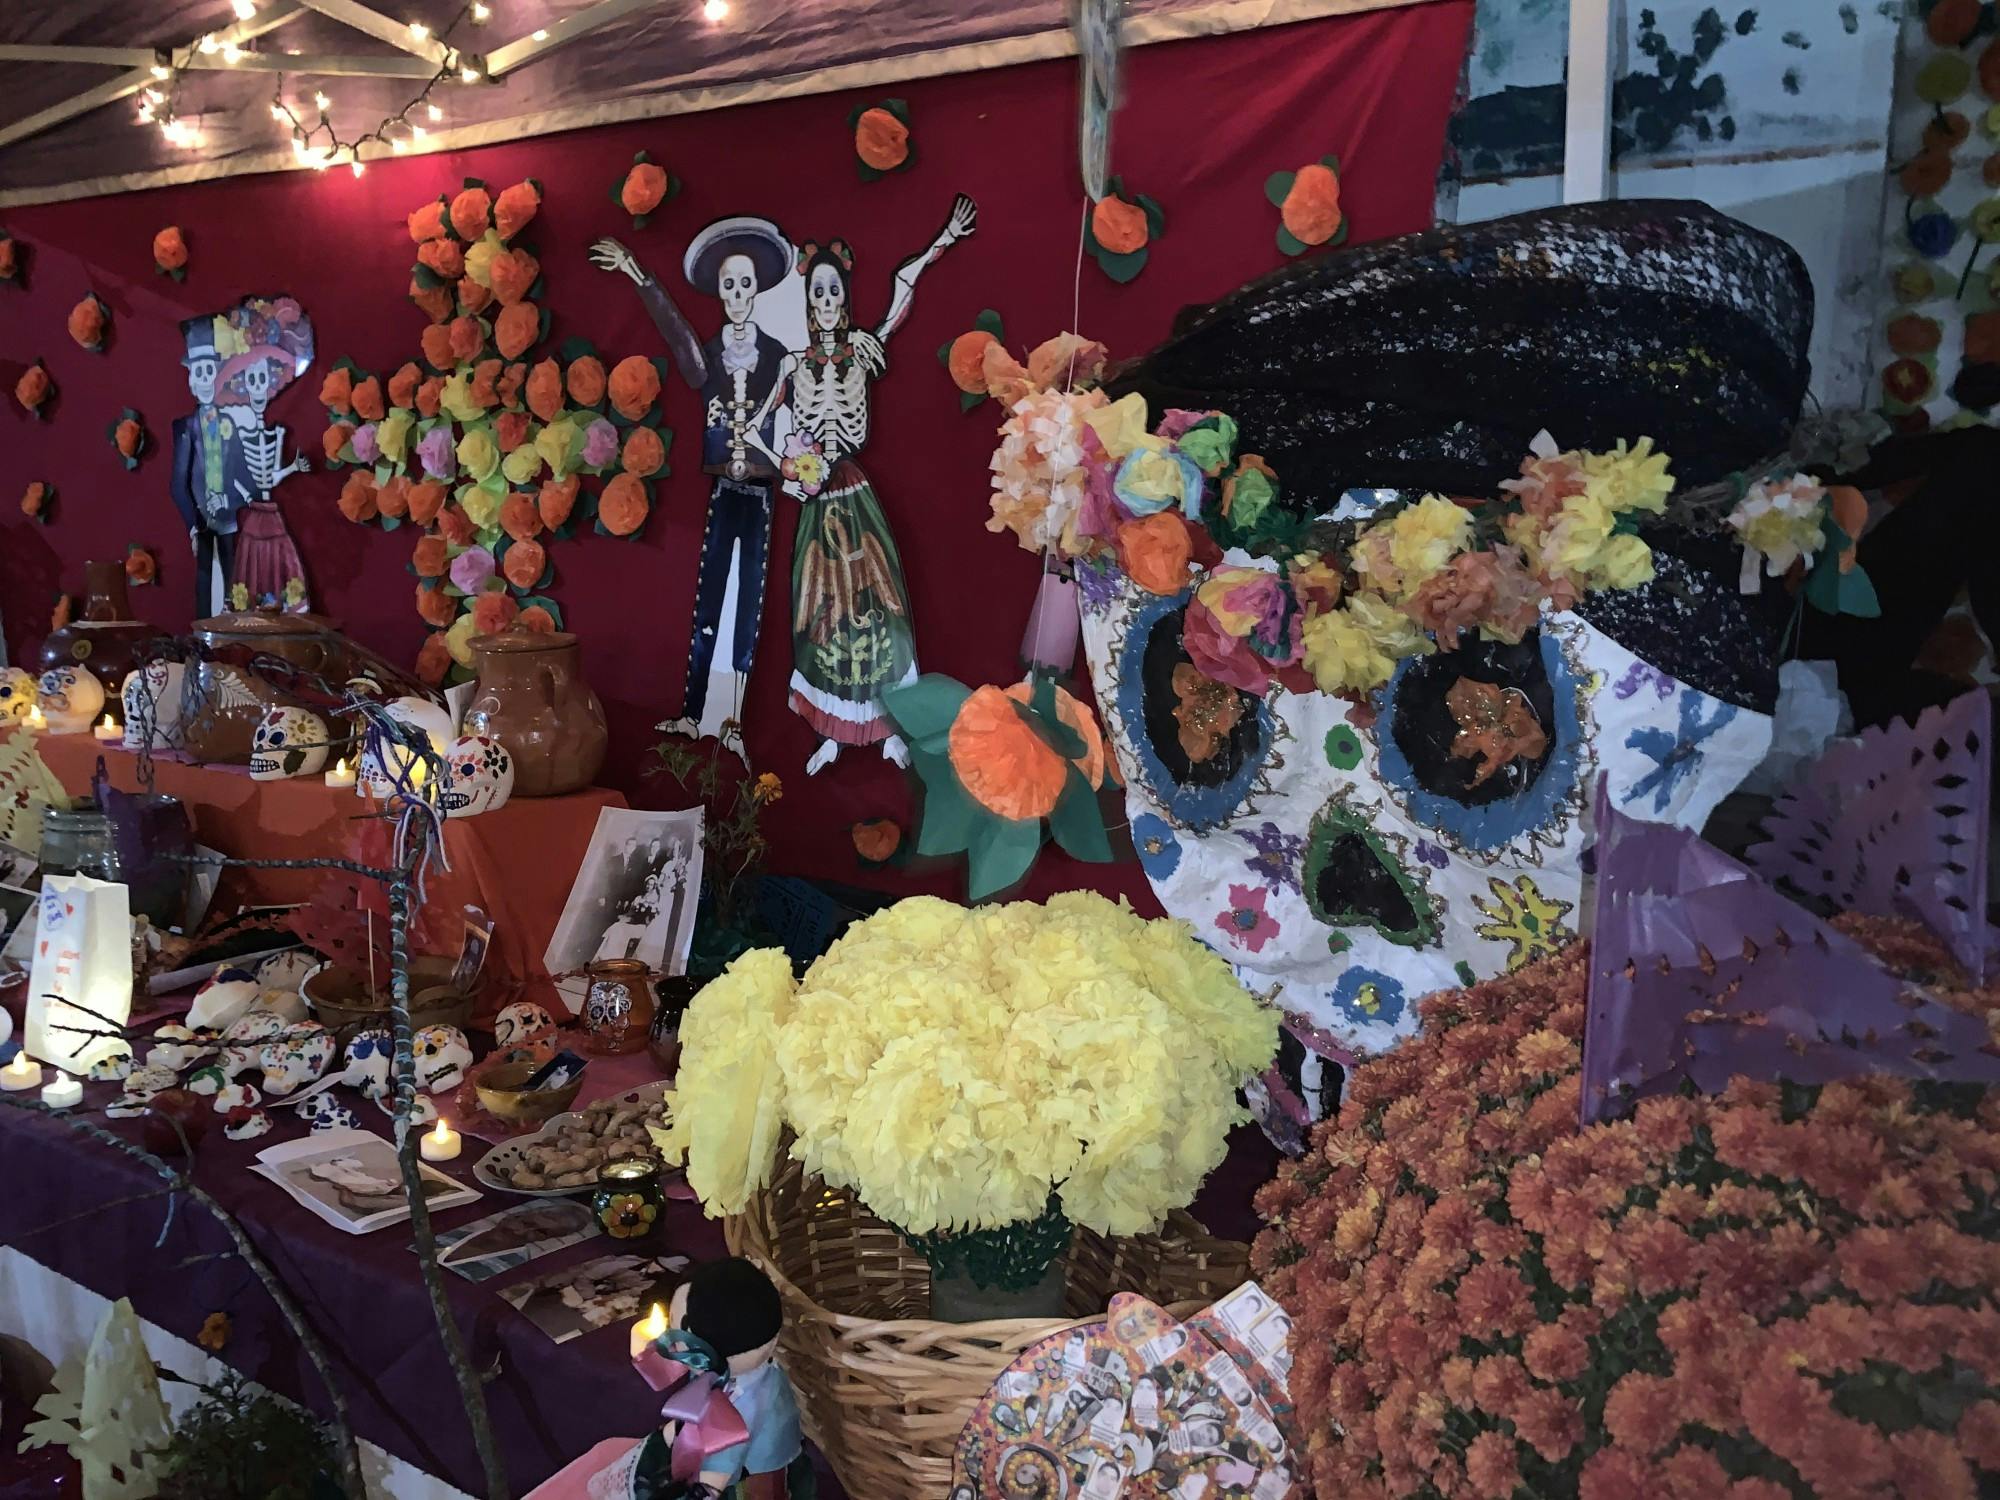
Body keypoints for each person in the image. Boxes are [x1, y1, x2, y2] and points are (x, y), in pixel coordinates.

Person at [744, 195, 977, 774]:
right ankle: (836, 731)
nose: (826, 302)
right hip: (815, 501)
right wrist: (789, 471)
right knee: (820, 614)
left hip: (852, 488)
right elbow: (752, 428)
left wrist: (944, 236)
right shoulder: (793, 366)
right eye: (817, 293)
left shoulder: (864, 352)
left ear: (845, 298)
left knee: (881, 608)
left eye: (834, 292)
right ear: (808, 301)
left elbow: (901, 285)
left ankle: (890, 721)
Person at [591, 220, 794, 762]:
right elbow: (674, 331)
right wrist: (639, 274)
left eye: (745, 284)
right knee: (710, 593)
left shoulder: (777, 356)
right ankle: (694, 710)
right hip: (722, 488)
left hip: (761, 489)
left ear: (758, 289)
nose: (737, 296)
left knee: (746, 601)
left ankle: (732, 721)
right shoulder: (706, 353)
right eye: (728, 286)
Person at [169, 318, 242, 618]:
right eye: (199, 373)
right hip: (203, 524)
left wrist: (232, 502)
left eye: (210, 371)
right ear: (190, 380)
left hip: (235, 523)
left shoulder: (236, 422)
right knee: (207, 594)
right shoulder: (185, 428)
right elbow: (177, 483)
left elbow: (246, 476)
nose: (205, 380)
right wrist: (193, 526)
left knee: (238, 590)